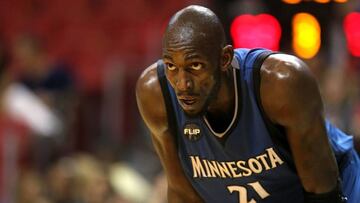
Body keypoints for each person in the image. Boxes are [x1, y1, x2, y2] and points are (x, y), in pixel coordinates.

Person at [136, 5, 360, 203]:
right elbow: (182, 193)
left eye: (195, 66)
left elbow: (321, 189)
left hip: (330, 187)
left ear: (224, 59)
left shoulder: (281, 83)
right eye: (171, 66)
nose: (183, 83)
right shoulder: (155, 94)